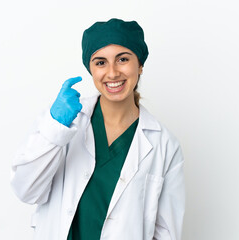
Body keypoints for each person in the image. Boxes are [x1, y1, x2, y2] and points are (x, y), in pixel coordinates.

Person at [10, 18, 185, 240]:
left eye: (122, 59)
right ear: (91, 69)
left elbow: (166, 233)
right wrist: (55, 128)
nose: (112, 73)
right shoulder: (65, 122)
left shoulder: (165, 145)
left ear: (140, 65)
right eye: (100, 62)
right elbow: (26, 190)